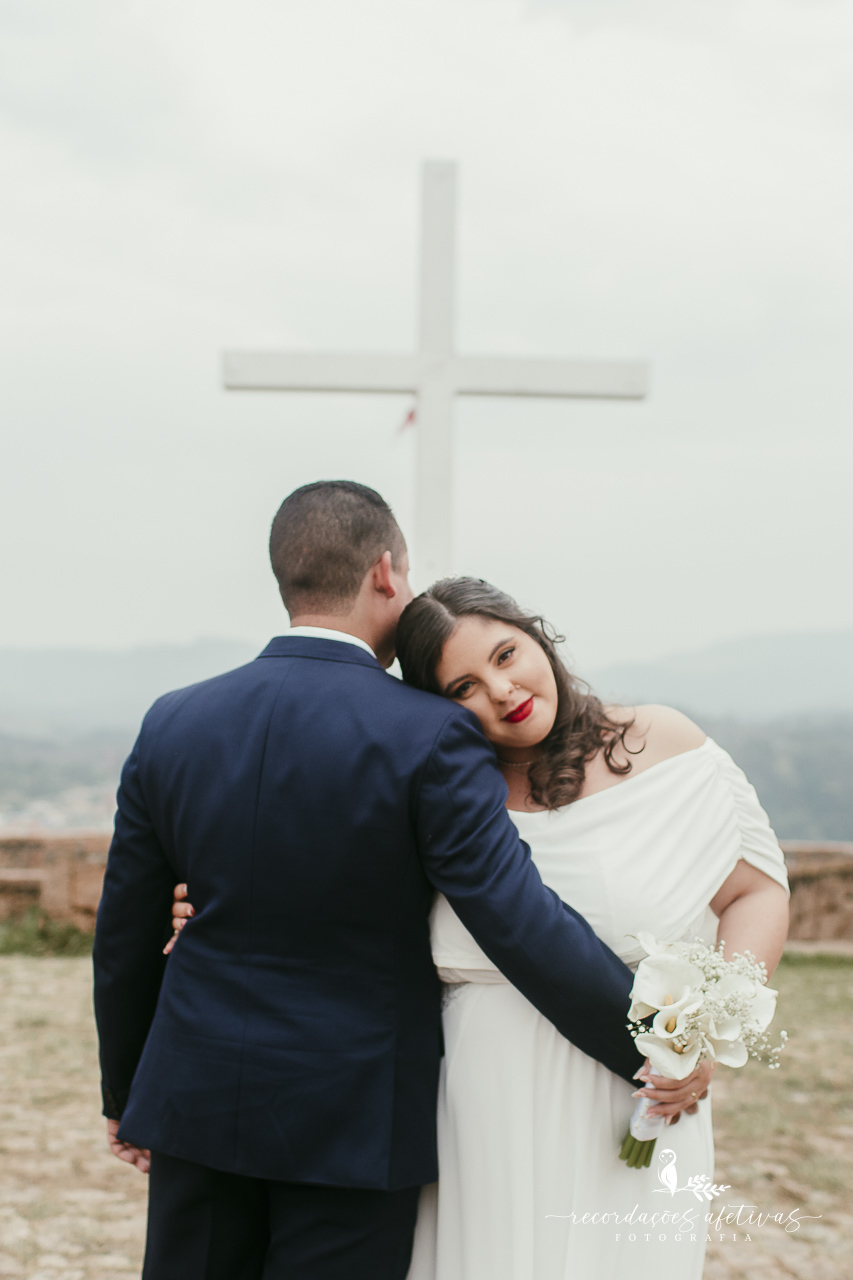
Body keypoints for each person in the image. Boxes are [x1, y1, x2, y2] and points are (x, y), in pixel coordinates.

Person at [93, 481, 709, 1280]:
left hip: (194, 1099)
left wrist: (125, 1094)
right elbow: (513, 917)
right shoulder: (429, 733)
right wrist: (647, 1046)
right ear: (386, 572)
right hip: (350, 1118)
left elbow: (125, 931)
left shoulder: (173, 720)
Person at [389, 577, 790, 1280]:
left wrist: (707, 1035)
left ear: (535, 633)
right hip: (475, 1109)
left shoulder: (662, 743)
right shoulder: (437, 792)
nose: (500, 690)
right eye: (462, 689)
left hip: (634, 1097)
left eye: (506, 654)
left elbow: (754, 891)